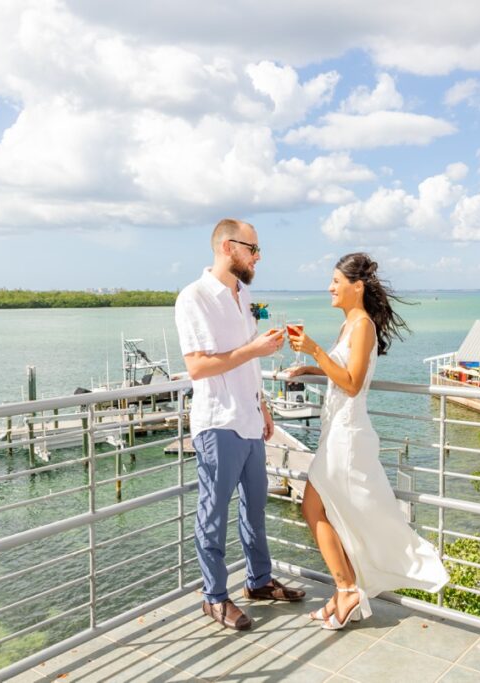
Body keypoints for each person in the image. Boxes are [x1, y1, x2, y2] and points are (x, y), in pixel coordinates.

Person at [287, 253, 448, 630]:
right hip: (337, 431)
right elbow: (342, 371)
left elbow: (353, 383)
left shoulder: (361, 326)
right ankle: (346, 590)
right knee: (331, 513)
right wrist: (313, 367)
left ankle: (347, 589)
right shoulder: (350, 326)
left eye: (335, 281)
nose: (330, 287)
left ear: (356, 287)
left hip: (346, 436)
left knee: (315, 509)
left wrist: (313, 350)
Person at [174, 218, 306, 631]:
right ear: (229, 247)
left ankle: (259, 581)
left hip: (250, 419)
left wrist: (263, 405)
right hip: (217, 422)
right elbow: (197, 367)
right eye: (253, 249)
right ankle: (213, 597)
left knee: (255, 507)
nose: (258, 257)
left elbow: (248, 363)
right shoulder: (193, 297)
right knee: (212, 513)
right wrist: (254, 348)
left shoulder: (244, 294)